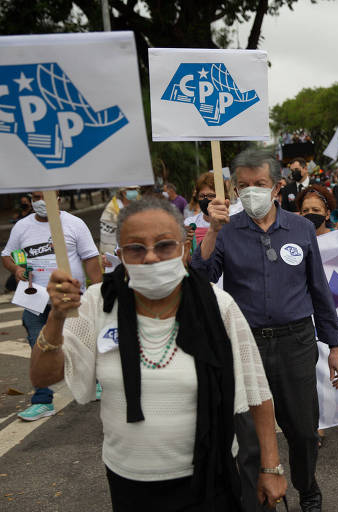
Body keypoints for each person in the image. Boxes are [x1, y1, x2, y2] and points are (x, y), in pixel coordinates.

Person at [27, 197, 286, 510]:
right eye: (136, 248)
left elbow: (258, 392)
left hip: (208, 480)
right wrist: (56, 318)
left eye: (164, 245)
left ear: (182, 249)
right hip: (129, 483)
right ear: (119, 254)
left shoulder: (218, 307)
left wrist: (271, 468)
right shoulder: (99, 303)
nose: (150, 258)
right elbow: (44, 377)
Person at [192, 148, 338, 512]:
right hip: (246, 345)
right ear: (231, 189)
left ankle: (308, 488)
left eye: (259, 184)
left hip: (296, 342)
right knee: (249, 433)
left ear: (276, 187)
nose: (251, 192)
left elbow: (319, 291)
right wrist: (212, 231)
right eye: (242, 186)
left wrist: (335, 346)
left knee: (305, 432)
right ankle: (262, 493)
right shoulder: (226, 230)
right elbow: (201, 279)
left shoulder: (302, 228)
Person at [2, 190, 102, 422]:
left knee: (84, 342)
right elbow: (7, 255)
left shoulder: (74, 224)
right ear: (30, 199)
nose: (41, 201)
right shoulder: (21, 227)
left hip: (71, 300)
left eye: (45, 195)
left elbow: (90, 259)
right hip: (36, 302)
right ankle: (43, 400)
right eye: (36, 196)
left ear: (57, 198)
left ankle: (95, 382)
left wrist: (99, 292)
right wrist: (16, 269)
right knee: (40, 346)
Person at [100, 187, 140, 255]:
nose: (134, 192)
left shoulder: (139, 202)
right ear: (122, 191)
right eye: (130, 189)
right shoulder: (111, 209)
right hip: (120, 249)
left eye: (135, 189)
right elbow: (107, 237)